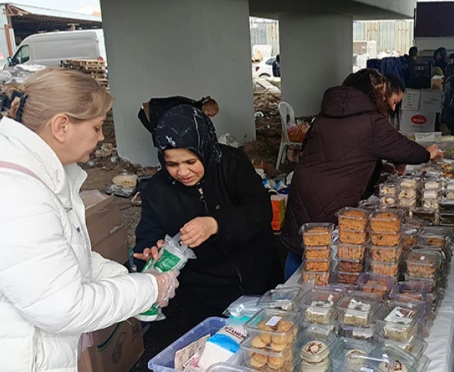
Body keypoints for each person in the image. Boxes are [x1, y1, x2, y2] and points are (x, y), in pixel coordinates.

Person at [0, 69, 177, 371]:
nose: (102, 136)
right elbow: (64, 306)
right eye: (96, 127)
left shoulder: (43, 175)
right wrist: (148, 289)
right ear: (61, 126)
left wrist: (134, 281)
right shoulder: (17, 194)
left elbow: (68, 259)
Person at [281, 69, 441, 279]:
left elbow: (332, 150)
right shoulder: (371, 120)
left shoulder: (325, 115)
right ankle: (312, 298)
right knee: (325, 253)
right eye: (385, 97)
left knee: (302, 243)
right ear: (374, 94)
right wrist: (427, 153)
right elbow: (403, 149)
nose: (388, 104)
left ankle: (289, 292)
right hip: (333, 196)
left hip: (304, 187)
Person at [134, 105, 282, 324]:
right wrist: (149, 250)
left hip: (259, 276)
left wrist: (215, 224)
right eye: (172, 164)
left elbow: (261, 210)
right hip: (205, 293)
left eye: (190, 162)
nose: (182, 172)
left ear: (204, 149)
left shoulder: (231, 163)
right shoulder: (156, 191)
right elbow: (147, 234)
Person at [139, 95, 219, 143]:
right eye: (208, 115)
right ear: (203, 107)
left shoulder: (194, 108)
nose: (208, 118)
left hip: (154, 112)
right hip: (149, 112)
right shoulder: (190, 110)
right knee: (166, 142)